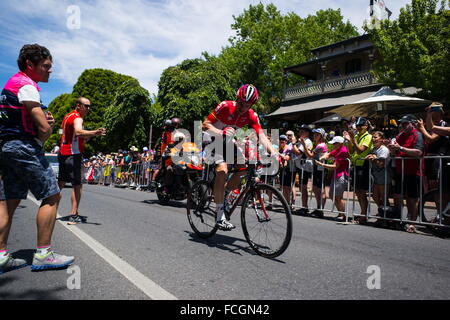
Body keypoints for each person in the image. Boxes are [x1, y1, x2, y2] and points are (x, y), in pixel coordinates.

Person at [0, 44, 74, 273]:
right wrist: (47, 126)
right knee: (52, 195)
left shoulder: (11, 84)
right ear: (29, 65)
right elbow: (42, 127)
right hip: (24, 147)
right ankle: (43, 254)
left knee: (8, 200)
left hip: (6, 147)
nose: (50, 71)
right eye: (46, 66)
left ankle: (1, 255)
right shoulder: (27, 85)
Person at [202, 84, 277, 230]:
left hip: (228, 142)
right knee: (222, 171)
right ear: (237, 98)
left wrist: (274, 153)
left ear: (252, 104)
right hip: (212, 139)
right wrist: (220, 132)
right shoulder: (225, 106)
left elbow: (261, 135)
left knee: (243, 169)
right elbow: (205, 125)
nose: (243, 107)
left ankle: (224, 194)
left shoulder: (251, 115)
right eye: (241, 103)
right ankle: (219, 215)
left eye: (247, 105)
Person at [58, 97, 106, 224]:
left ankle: (50, 208)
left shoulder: (67, 116)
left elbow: (71, 135)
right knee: (77, 186)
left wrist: (86, 137)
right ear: (78, 105)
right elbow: (78, 132)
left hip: (63, 154)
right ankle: (73, 214)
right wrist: (95, 132)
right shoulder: (77, 117)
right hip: (73, 155)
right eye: (86, 106)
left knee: (60, 183)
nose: (88, 109)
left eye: (90, 106)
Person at [387, 114, 425, 233]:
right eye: (401, 123)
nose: (402, 125)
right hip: (400, 170)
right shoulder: (400, 135)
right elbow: (394, 153)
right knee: (398, 195)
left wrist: (401, 148)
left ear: (412, 123)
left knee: (412, 198)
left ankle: (412, 222)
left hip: (414, 171)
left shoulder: (417, 135)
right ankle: (399, 218)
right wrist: (391, 148)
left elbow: (419, 152)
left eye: (405, 123)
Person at [343, 117, 373, 224]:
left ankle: (364, 214)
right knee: (358, 192)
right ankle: (363, 213)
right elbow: (351, 151)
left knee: (362, 192)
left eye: (361, 126)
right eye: (358, 126)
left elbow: (360, 151)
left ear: (366, 126)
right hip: (356, 165)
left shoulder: (368, 136)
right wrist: (349, 140)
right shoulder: (356, 136)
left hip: (364, 165)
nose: (359, 128)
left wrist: (353, 140)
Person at [316, 136, 350, 221]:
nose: (333, 145)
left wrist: (322, 165)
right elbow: (329, 154)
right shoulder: (338, 149)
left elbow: (335, 166)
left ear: (340, 143)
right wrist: (323, 157)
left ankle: (343, 215)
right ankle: (341, 213)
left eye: (335, 143)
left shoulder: (343, 151)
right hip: (336, 175)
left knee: (338, 196)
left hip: (341, 175)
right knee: (332, 195)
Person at [302, 128, 328, 217]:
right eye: (315, 134)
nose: (315, 136)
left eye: (317, 134)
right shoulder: (317, 144)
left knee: (320, 189)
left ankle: (320, 209)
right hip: (317, 167)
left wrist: (303, 145)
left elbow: (310, 155)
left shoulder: (321, 145)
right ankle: (318, 208)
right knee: (315, 188)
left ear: (321, 136)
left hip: (321, 168)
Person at [365, 131, 391, 209]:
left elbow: (381, 164)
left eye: (375, 137)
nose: (373, 139)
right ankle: (382, 211)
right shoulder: (374, 149)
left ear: (381, 139)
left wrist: (374, 158)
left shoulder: (384, 149)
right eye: (372, 137)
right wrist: (370, 156)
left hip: (384, 175)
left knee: (383, 196)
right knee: (375, 195)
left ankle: (386, 215)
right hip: (376, 175)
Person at [293, 125, 313, 214]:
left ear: (307, 133)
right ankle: (304, 206)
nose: (300, 133)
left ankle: (305, 207)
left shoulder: (307, 141)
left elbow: (298, 152)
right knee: (301, 187)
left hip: (304, 167)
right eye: (299, 131)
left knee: (303, 187)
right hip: (300, 167)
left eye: (302, 131)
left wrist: (293, 143)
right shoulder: (302, 141)